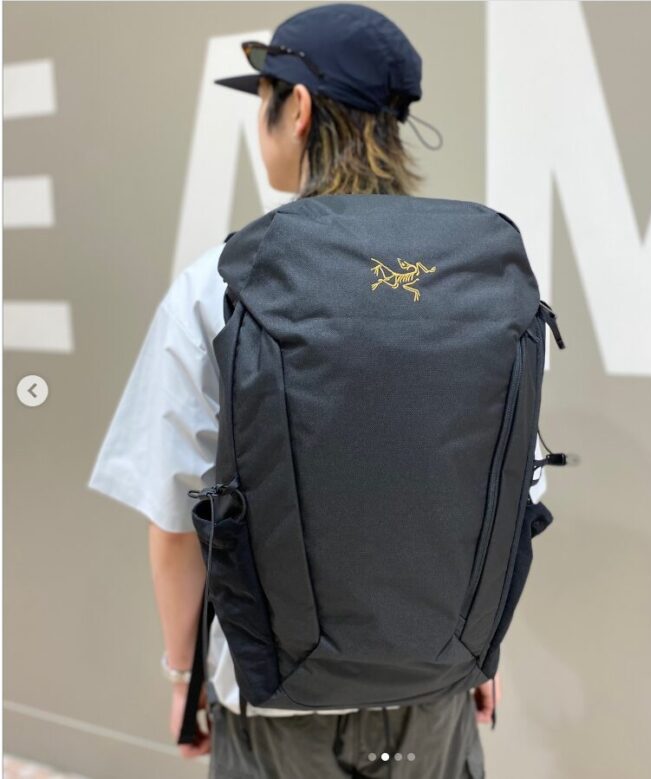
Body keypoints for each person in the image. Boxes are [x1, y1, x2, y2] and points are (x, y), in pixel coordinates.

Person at [89, 4, 545, 777]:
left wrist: (184, 676)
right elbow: (508, 496)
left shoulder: (223, 282)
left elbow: (176, 522)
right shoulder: (483, 279)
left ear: (296, 108)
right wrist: (479, 647)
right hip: (437, 691)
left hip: (273, 703)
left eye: (263, 100)